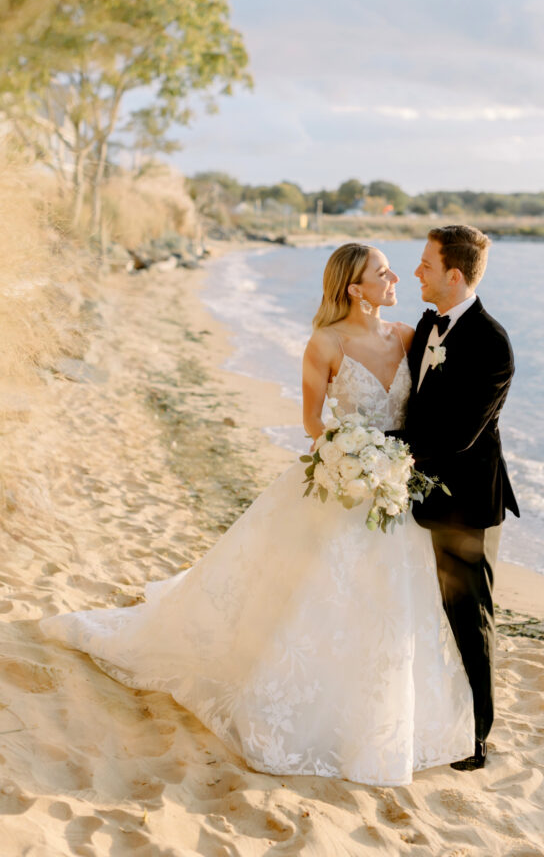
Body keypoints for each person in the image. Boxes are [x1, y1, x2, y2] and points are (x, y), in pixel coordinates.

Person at [41, 242, 475, 787]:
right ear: (353, 289)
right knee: (316, 600)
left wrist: (390, 464)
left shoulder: (409, 337)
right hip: (345, 484)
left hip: (392, 494)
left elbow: (426, 413)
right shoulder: (324, 343)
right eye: (382, 273)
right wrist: (354, 458)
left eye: (392, 271)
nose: (395, 278)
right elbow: (314, 424)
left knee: (387, 609)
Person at [404, 225, 519, 771]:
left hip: (466, 501)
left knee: (467, 617)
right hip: (415, 492)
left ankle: (475, 738)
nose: (417, 271)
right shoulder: (427, 323)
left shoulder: (492, 344)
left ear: (454, 274)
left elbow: (456, 436)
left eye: (427, 263)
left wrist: (379, 450)